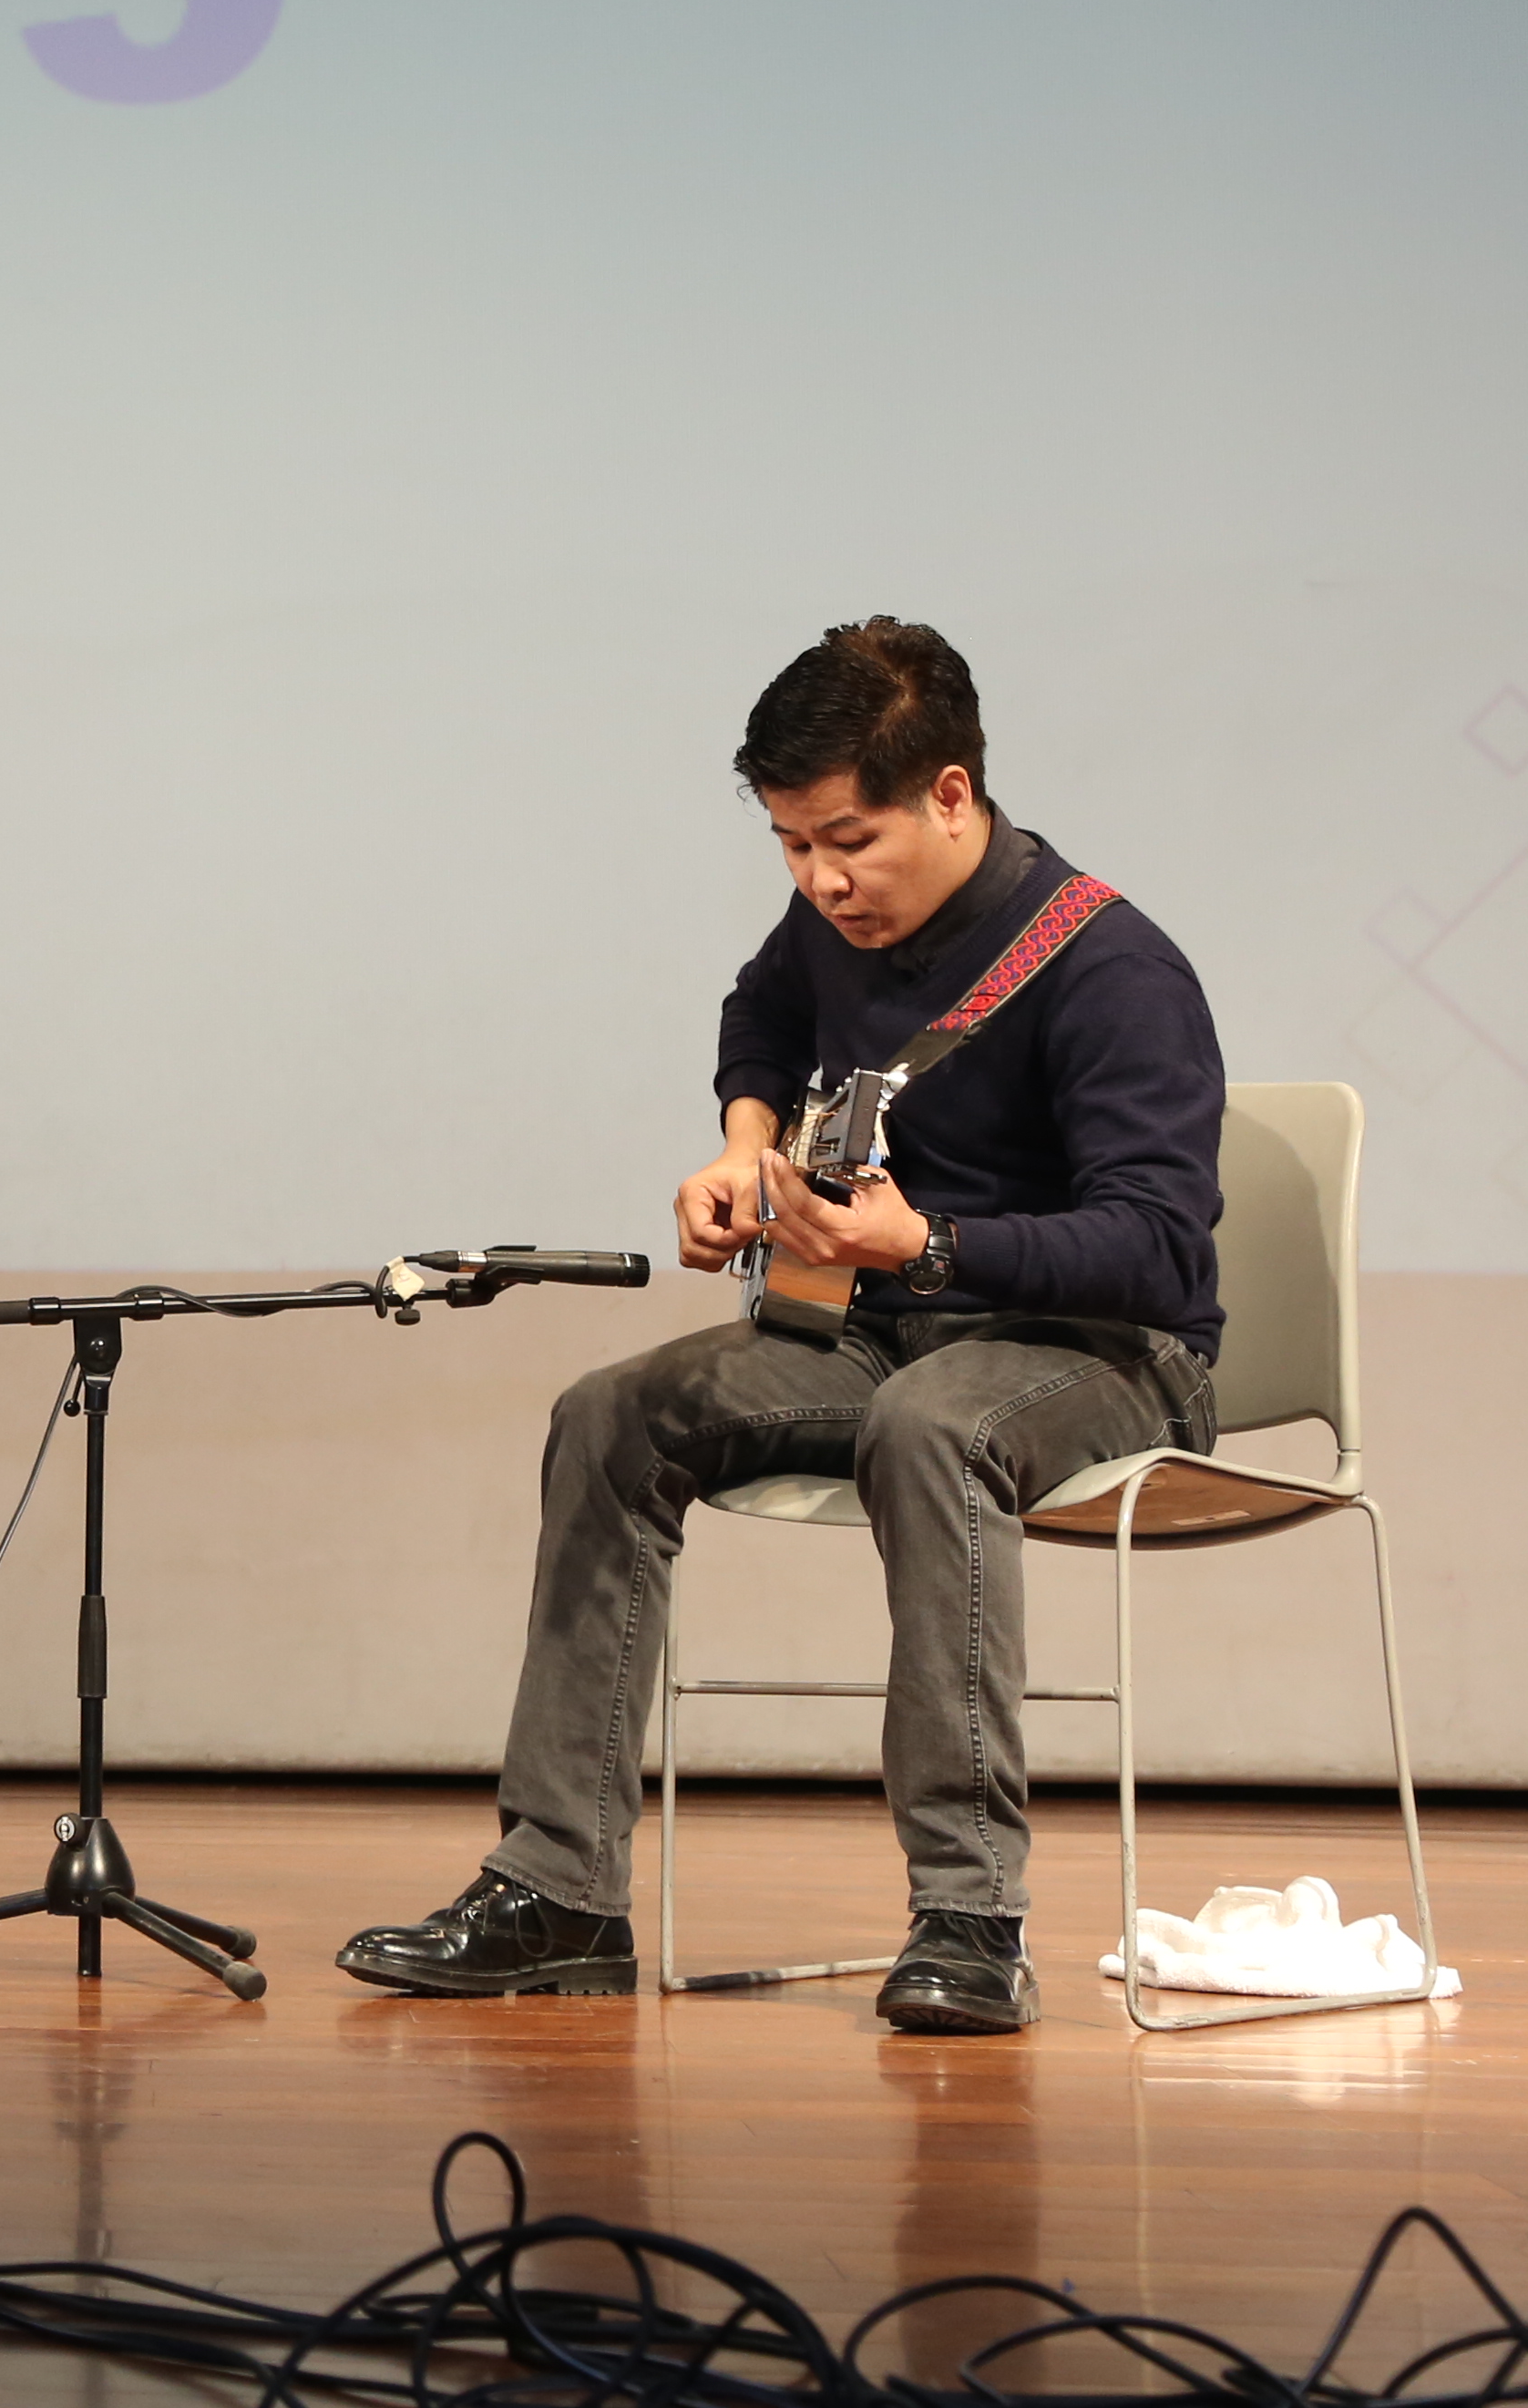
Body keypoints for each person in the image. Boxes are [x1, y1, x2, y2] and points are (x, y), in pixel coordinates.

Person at [337, 619, 1225, 2035]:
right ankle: (559, 1895)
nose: (821, 881)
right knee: (610, 1416)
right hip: (883, 1326)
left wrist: (927, 1244)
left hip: (1101, 1353)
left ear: (950, 794)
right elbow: (761, 1014)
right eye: (791, 846)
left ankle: (970, 1920)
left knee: (931, 1428)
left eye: (847, 841)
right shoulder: (832, 924)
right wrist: (747, 1146)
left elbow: (1161, 1246)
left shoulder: (1114, 969)